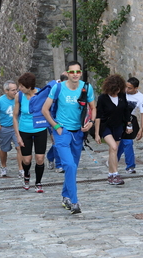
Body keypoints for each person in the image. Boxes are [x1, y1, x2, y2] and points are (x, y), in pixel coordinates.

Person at [42, 61, 96, 214]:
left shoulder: (87, 87)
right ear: (67, 73)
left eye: (78, 72)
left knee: (73, 168)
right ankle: (74, 201)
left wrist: (90, 122)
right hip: (62, 133)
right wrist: (56, 127)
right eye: (72, 72)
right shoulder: (58, 88)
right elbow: (45, 110)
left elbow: (93, 108)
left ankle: (65, 196)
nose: (75, 75)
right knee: (70, 166)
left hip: (78, 133)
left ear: (81, 73)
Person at [94, 74, 133, 186]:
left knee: (113, 151)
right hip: (105, 126)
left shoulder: (122, 96)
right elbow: (98, 116)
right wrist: (97, 134)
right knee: (114, 147)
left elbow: (126, 111)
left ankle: (110, 175)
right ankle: (115, 174)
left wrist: (128, 124)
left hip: (118, 126)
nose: (115, 92)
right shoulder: (102, 98)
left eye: (117, 90)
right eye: (113, 90)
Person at [13, 72, 47, 193]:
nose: (19, 88)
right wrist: (18, 135)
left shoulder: (41, 94)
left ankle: (38, 182)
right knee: (26, 160)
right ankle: (26, 175)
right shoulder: (19, 96)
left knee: (40, 158)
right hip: (24, 130)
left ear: (29, 87)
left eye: (22, 86)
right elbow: (15, 116)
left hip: (40, 129)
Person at [117, 77, 143, 173]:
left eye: (130, 88)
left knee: (128, 142)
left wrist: (141, 130)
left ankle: (130, 166)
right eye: (126, 87)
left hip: (130, 122)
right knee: (119, 143)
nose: (127, 90)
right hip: (118, 121)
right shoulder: (121, 93)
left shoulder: (141, 98)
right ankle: (114, 160)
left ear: (136, 88)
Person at [0, 80, 24, 178]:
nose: (15, 92)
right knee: (4, 149)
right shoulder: (0, 101)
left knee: (19, 147)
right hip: (5, 128)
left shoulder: (20, 98)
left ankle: (21, 169)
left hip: (17, 128)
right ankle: (3, 166)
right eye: (13, 90)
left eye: (16, 89)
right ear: (6, 91)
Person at [47, 71, 68, 172]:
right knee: (56, 141)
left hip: (67, 119)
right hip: (53, 119)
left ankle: (50, 157)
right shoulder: (52, 87)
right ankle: (59, 165)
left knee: (63, 141)